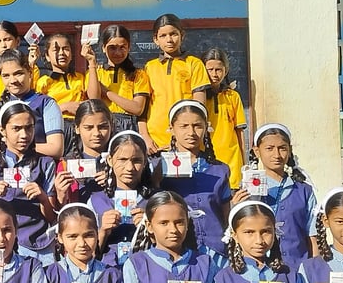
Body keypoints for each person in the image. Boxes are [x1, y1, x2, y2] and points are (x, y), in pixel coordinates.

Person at [0, 101, 57, 263]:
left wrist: (43, 198)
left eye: (29, 128)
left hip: (38, 244)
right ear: (2, 130)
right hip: (0, 244)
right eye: (16, 129)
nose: (24, 135)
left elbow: (52, 217)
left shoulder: (46, 164)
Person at [234, 123, 318, 263]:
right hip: (260, 266)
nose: (277, 155)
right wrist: (237, 208)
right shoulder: (248, 189)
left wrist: (315, 267)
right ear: (257, 151)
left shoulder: (304, 190)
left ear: (290, 150)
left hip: (298, 266)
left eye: (282, 148)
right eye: (269, 148)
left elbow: (312, 236)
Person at [159, 100, 232, 257]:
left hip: (216, 250)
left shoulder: (220, 170)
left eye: (197, 126)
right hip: (176, 250)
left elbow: (225, 215)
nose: (191, 132)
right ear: (172, 128)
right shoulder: (160, 167)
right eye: (184, 126)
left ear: (206, 128)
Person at [141, 14, 210, 154]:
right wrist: (146, 137)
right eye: (163, 35)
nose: (169, 40)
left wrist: (188, 137)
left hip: (185, 140)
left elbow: (199, 107)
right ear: (155, 39)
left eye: (173, 34)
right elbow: (142, 108)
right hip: (155, 142)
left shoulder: (194, 64)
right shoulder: (149, 67)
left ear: (182, 35)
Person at [89, 129, 153, 268]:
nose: (129, 168)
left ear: (145, 162)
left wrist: (150, 228)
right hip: (108, 272)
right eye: (122, 160)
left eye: (136, 160)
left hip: (145, 272)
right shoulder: (96, 200)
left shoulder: (156, 201)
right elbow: (87, 256)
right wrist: (103, 231)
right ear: (110, 160)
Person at [0, 48, 64, 160]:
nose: (13, 80)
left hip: (40, 167)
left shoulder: (46, 104)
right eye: (6, 76)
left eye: (18, 74)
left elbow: (56, 149)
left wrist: (13, 146)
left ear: (30, 73)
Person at [86, 24, 149, 134]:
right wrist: (92, 63)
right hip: (102, 124)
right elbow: (94, 100)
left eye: (122, 47)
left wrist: (106, 92)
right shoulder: (94, 73)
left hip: (129, 125)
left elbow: (137, 109)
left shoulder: (138, 74)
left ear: (129, 47)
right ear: (103, 48)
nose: (118, 53)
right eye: (112, 48)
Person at [54, 100, 112, 206]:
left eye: (102, 127)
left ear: (111, 126)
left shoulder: (121, 162)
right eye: (89, 128)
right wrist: (61, 196)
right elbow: (59, 209)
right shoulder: (65, 165)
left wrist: (116, 182)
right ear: (77, 128)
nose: (96, 133)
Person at [202, 48, 246, 189]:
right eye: (210, 70)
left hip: (232, 162)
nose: (214, 74)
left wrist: (245, 164)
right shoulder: (198, 98)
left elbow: (239, 132)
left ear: (225, 71)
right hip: (206, 160)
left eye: (218, 70)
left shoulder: (232, 96)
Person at [36, 32, 90, 124]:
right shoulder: (44, 81)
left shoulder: (80, 78)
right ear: (47, 56)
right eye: (56, 49)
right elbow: (38, 111)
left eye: (66, 49)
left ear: (72, 55)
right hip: (55, 124)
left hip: (80, 124)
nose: (61, 53)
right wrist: (64, 107)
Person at [0, 20, 38, 106]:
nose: (3, 45)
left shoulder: (32, 68)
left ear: (17, 41)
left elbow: (32, 95)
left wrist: (30, 65)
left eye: (7, 39)